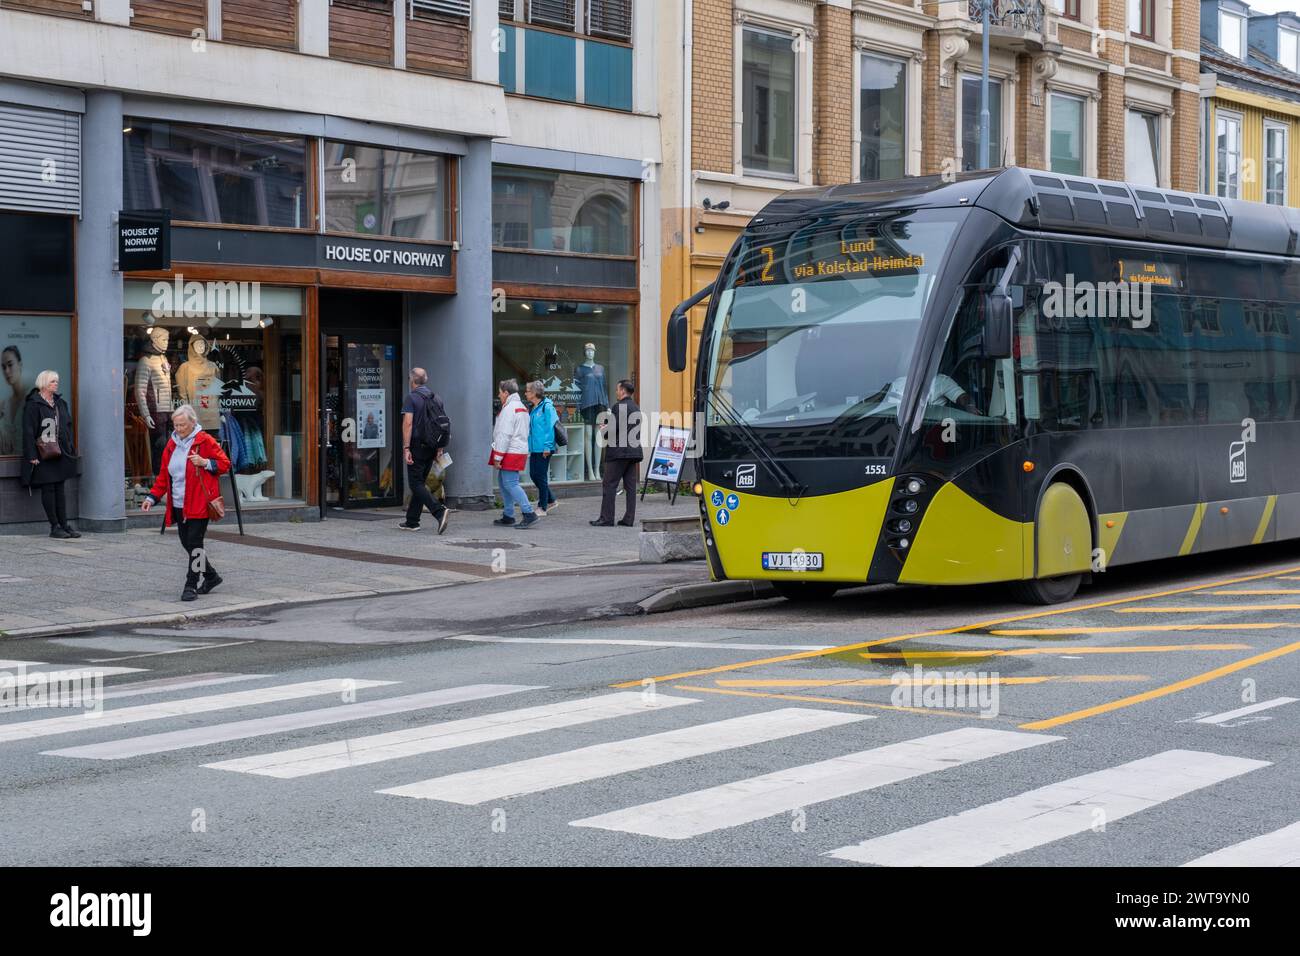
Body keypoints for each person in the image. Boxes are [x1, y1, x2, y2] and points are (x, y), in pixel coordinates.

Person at [140, 404, 231, 601]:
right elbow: (164, 475)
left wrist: (205, 462)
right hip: (179, 503)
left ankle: (191, 584)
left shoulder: (204, 440)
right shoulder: (172, 444)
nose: (179, 429)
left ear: (193, 423)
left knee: (195, 544)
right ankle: (211, 576)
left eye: (182, 425)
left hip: (199, 502)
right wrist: (152, 497)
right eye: (176, 425)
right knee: (186, 543)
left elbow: (225, 463)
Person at [21, 369, 80, 539]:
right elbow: (28, 431)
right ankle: (54, 526)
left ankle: (64, 524)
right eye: (53, 381)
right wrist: (31, 455)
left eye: (57, 381)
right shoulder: (33, 404)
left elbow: (67, 425)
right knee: (48, 489)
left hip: (59, 453)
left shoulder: (60, 403)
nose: (56, 384)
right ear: (45, 383)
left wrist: (69, 447)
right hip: (43, 454)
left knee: (60, 490)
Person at [398, 367, 450, 534]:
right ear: (425, 379)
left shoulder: (411, 398)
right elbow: (442, 424)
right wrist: (439, 448)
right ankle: (412, 521)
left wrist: (406, 448)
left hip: (416, 446)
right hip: (432, 447)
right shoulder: (437, 398)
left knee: (416, 483)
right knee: (419, 482)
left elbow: (408, 424)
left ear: (412, 381)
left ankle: (439, 512)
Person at [591, 379, 643, 528]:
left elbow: (613, 431)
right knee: (631, 487)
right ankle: (628, 519)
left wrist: (604, 429)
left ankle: (606, 518)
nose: (616, 392)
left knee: (609, 484)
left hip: (619, 452)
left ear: (622, 391)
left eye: (617, 389)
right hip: (633, 452)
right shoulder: (635, 407)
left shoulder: (618, 407)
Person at [491, 379, 537, 529]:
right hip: (518, 450)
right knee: (504, 482)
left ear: (506, 392)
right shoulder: (521, 407)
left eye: (500, 392)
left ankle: (528, 513)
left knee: (510, 483)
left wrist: (498, 456)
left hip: (510, 451)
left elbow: (504, 435)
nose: (498, 395)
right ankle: (508, 514)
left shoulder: (509, 409)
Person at [525, 380, 559, 517]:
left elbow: (550, 428)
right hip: (535, 448)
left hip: (544, 448)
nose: (525, 393)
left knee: (541, 476)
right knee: (534, 475)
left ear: (534, 393)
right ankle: (551, 499)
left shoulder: (547, 407)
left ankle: (542, 507)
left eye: (527, 391)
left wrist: (547, 446)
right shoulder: (534, 407)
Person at [0, 345, 24, 456]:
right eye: (3, 367)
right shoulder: (4, 405)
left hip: (31, 468)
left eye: (10, 365)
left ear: (20, 365)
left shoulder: (32, 400)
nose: (7, 371)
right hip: (7, 467)